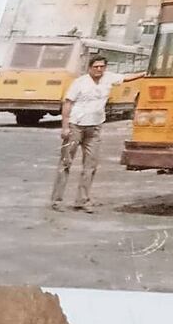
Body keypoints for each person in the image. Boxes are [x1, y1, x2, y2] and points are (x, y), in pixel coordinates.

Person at [50, 55, 144, 212]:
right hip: (75, 126)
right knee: (66, 162)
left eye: (102, 67)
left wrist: (146, 73)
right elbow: (68, 103)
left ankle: (82, 200)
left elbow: (126, 78)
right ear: (90, 68)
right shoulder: (80, 82)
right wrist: (65, 127)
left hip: (95, 127)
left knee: (91, 164)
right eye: (96, 67)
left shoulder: (108, 78)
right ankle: (56, 201)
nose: (99, 69)